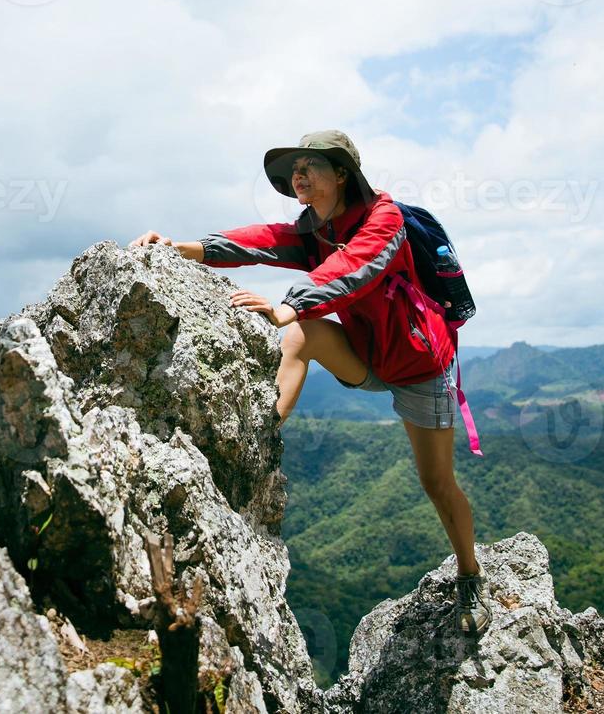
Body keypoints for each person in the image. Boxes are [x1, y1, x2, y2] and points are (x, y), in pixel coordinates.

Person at [128, 129, 491, 635]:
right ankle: (258, 438)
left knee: (436, 482)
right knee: (301, 337)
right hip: (367, 354)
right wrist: (180, 249)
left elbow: (354, 267)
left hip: (419, 365)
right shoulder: (314, 231)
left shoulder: (383, 221)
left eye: (309, 165)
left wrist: (288, 304)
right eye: (293, 169)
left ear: (341, 173)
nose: (297, 175)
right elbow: (256, 242)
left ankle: (470, 575)